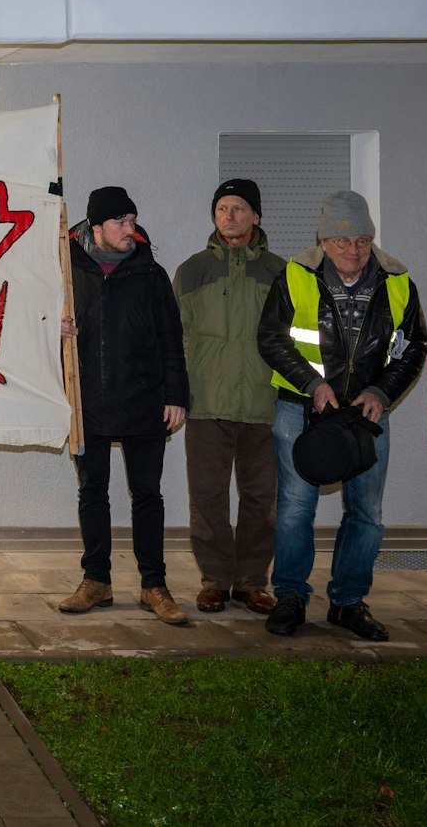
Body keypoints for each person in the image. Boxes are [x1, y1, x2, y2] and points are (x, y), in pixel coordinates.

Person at [256, 189, 427, 641]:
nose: (353, 250)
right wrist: (313, 385)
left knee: (366, 512)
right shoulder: (294, 276)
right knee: (295, 507)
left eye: (362, 241)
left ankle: (349, 601)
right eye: (342, 241)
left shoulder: (398, 281)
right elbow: (272, 339)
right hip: (301, 408)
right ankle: (290, 596)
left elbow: (414, 347)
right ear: (324, 241)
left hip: (366, 414)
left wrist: (381, 391)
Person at [57, 186, 192, 626]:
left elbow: (172, 339)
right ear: (95, 227)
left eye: (133, 221)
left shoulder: (150, 273)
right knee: (92, 492)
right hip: (87, 400)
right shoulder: (66, 269)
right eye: (120, 223)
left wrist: (176, 396)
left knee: (148, 495)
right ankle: (96, 580)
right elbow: (32, 323)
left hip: (144, 400)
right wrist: (53, 328)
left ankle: (154, 585)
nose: (129, 230)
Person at [173, 179, 284, 615]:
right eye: (222, 208)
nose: (230, 216)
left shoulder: (281, 272)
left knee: (261, 499)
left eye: (239, 208)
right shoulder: (193, 270)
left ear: (255, 215)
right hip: (207, 404)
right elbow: (175, 338)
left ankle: (252, 582)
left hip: (264, 405)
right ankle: (215, 581)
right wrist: (177, 391)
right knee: (208, 497)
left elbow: (298, 340)